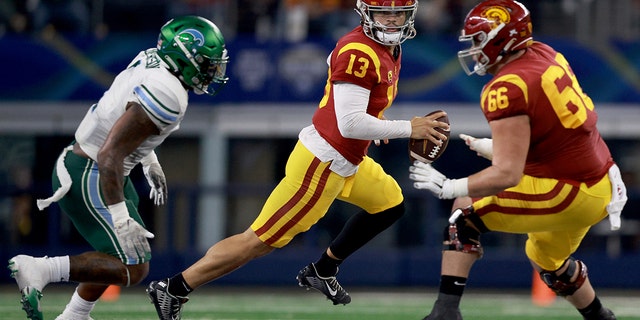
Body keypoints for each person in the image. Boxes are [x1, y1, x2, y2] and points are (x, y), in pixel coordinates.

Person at [146, 1, 449, 319]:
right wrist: (406, 127)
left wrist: (377, 126)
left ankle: (324, 269)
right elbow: (349, 123)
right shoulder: (360, 52)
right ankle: (174, 289)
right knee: (258, 241)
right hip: (323, 164)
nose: (391, 20)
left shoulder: (388, 48)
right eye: (383, 12)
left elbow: (353, 112)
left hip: (348, 159)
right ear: (365, 13)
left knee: (390, 204)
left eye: (398, 13)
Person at [408, 1, 627, 319]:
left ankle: (445, 312)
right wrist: (497, 147)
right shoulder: (545, 53)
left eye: (478, 40)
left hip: (569, 190)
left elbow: (508, 174)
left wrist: (449, 185)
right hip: (600, 179)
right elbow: (554, 136)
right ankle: (600, 316)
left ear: (502, 39)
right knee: (546, 260)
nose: (473, 49)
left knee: (463, 214)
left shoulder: (506, 87)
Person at [7, 15, 229, 320]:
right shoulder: (169, 93)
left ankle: (75, 316)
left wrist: (148, 158)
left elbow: (123, 115)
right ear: (183, 56)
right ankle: (41, 268)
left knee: (117, 256)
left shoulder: (154, 61)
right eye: (206, 63)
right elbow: (111, 151)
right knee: (133, 266)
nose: (212, 71)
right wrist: (121, 217)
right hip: (92, 171)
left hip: (99, 166)